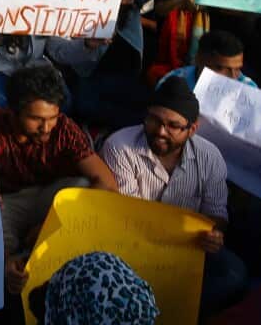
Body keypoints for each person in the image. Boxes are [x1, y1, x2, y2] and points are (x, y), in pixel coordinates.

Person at [0, 65, 118, 294]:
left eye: (52, 118)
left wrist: (48, 227)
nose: (46, 127)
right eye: (36, 119)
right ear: (13, 111)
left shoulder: (65, 129)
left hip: (50, 197)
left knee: (84, 188)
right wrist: (4, 260)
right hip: (4, 201)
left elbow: (106, 182)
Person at [101, 76, 247, 311]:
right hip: (132, 244)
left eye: (173, 126)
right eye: (154, 120)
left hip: (189, 247)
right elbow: (127, 214)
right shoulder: (120, 147)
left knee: (234, 274)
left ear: (192, 129)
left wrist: (214, 235)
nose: (160, 131)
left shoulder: (210, 157)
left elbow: (216, 214)